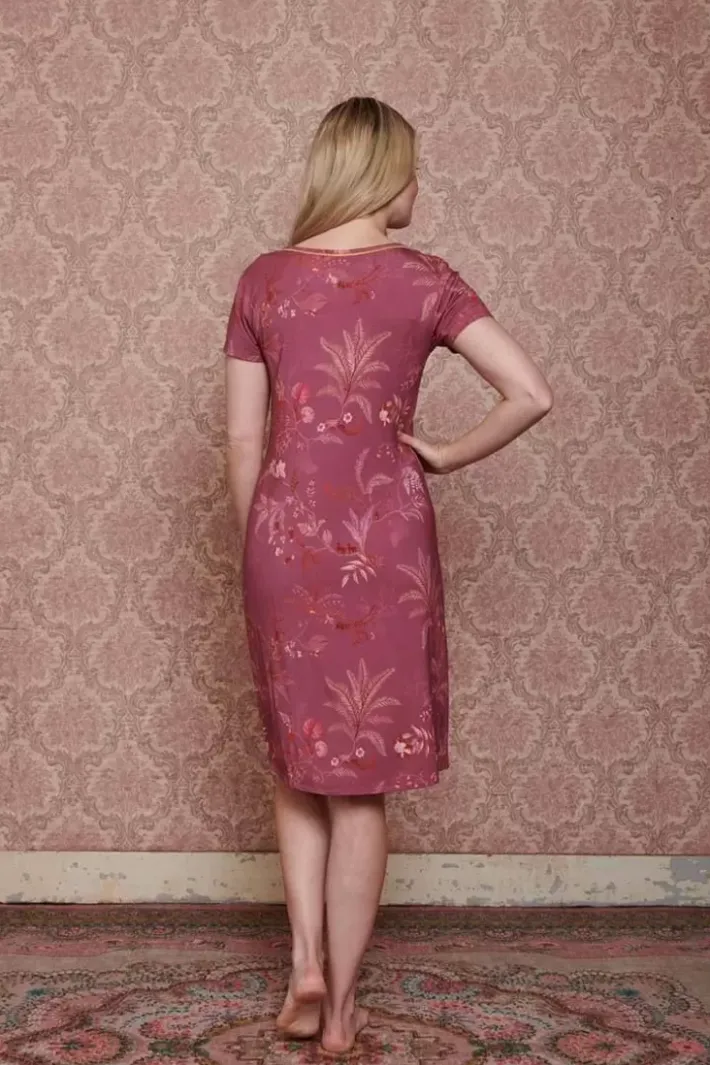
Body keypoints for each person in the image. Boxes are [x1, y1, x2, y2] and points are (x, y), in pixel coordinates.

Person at [223, 96, 553, 1055]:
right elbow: (530, 393)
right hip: (388, 542)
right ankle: (342, 1009)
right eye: (412, 166)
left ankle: (303, 962)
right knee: (358, 781)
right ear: (384, 174)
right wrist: (443, 453)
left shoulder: (264, 278)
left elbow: (242, 439)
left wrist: (260, 546)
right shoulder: (427, 280)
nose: (418, 185)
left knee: (297, 758)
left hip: (282, 537)